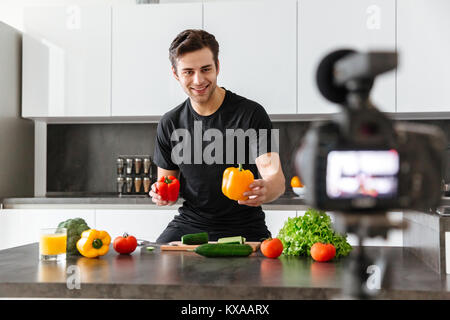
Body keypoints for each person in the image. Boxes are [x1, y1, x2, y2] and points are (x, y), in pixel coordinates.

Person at [150, 29, 286, 243]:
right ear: (176, 74)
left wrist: (267, 189)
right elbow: (166, 183)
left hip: (246, 227)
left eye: (206, 69)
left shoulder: (250, 114)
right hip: (189, 224)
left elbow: (276, 179)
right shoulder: (170, 123)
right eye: (188, 72)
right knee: (155, 265)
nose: (198, 80)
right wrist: (160, 194)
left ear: (217, 67)